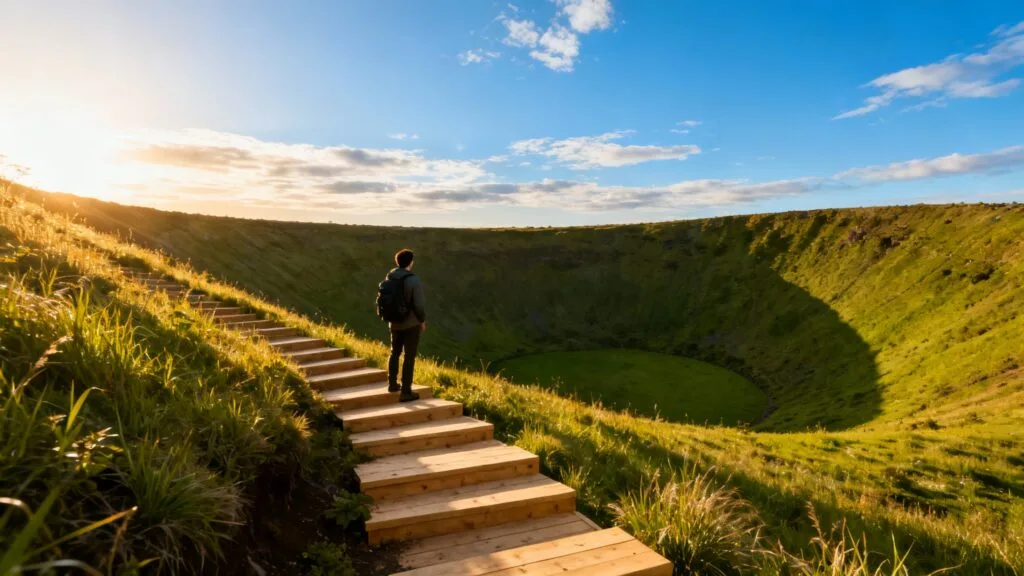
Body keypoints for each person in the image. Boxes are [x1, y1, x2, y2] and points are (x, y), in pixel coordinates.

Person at [384, 248, 426, 402]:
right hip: (411, 324)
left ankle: (392, 384)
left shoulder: (389, 277)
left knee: (394, 352)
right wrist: (421, 321)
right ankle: (406, 391)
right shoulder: (413, 280)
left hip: (394, 322)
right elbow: (419, 305)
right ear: (411, 262)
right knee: (409, 356)